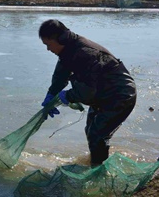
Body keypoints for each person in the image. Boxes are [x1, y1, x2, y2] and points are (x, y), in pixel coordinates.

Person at [38, 19, 136, 166]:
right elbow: (60, 76)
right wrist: (51, 94)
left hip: (120, 95)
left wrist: (68, 96)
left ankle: (99, 172)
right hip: (103, 95)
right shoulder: (68, 50)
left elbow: (87, 92)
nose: (48, 49)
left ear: (60, 38)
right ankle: (97, 165)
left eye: (48, 44)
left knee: (98, 134)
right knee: (91, 131)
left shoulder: (85, 54)